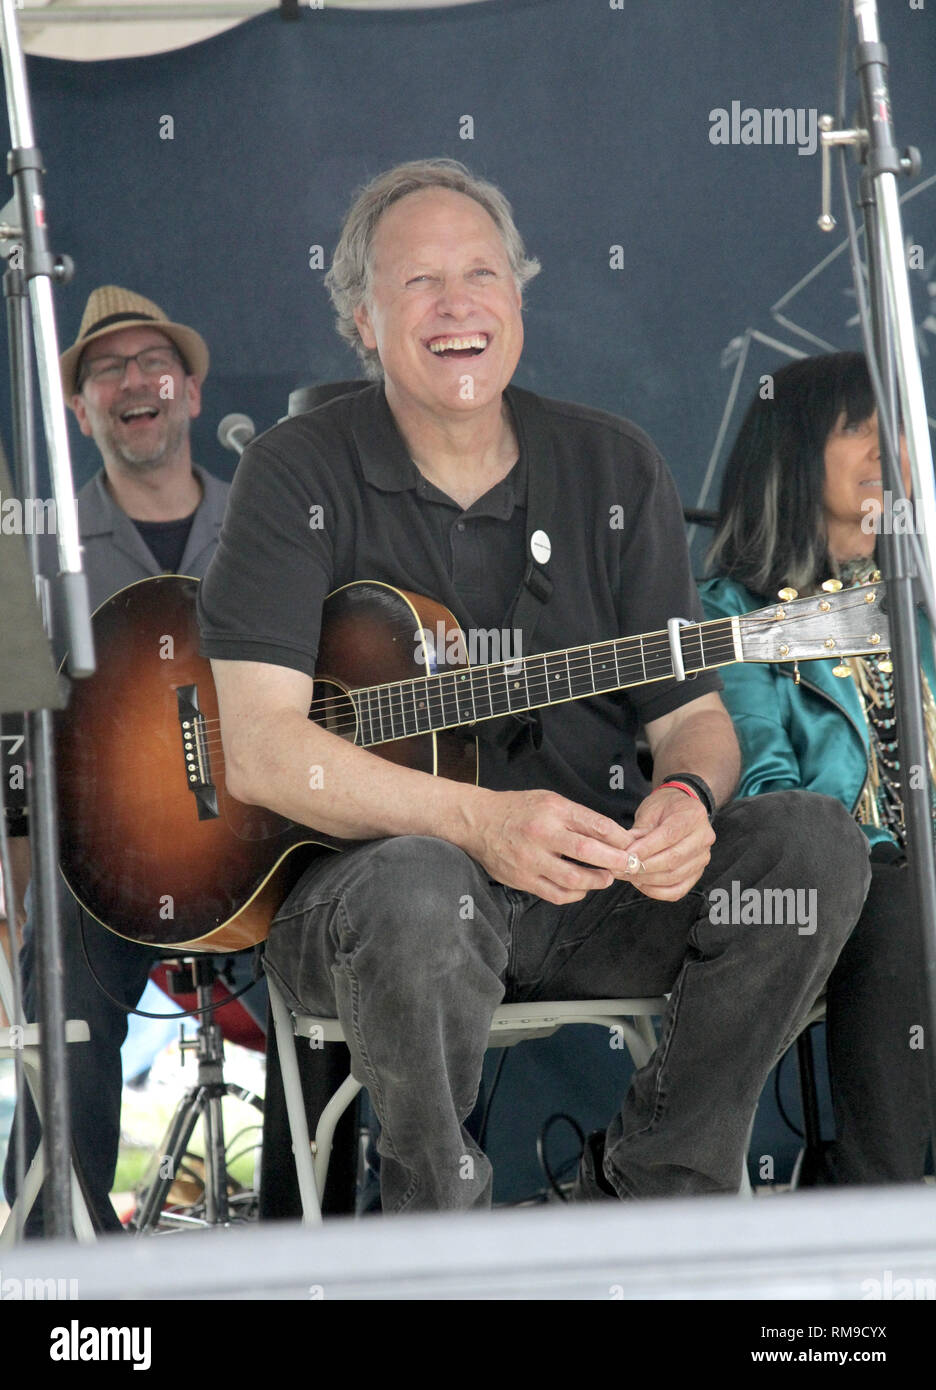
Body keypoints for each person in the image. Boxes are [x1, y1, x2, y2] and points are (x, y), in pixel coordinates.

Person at [198, 159, 872, 1211]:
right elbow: (262, 745)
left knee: (814, 842)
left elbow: (692, 711)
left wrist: (688, 798)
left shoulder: (614, 465)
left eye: (483, 273)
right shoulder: (296, 470)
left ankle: (650, 1190)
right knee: (419, 882)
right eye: (419, 282)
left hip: (596, 885)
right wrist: (479, 823)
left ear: (519, 297)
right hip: (374, 908)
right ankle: (438, 1239)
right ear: (363, 322)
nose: (457, 303)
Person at [2, 286, 264, 1234]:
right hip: (111, 871)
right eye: (104, 370)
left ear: (191, 392)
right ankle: (61, 1239)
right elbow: (21, 764)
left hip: (265, 859)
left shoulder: (270, 524)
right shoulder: (35, 552)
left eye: (152, 362)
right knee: (59, 973)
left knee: (363, 930)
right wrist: (26, 901)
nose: (131, 382)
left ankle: (329, 1224)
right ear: (78, 411)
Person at [701, 350, 931, 1184]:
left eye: (894, 432)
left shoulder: (921, 600)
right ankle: (885, 1210)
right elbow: (767, 795)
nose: (886, 452)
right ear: (797, 453)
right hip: (836, 887)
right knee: (906, 896)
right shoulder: (731, 613)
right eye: (859, 432)